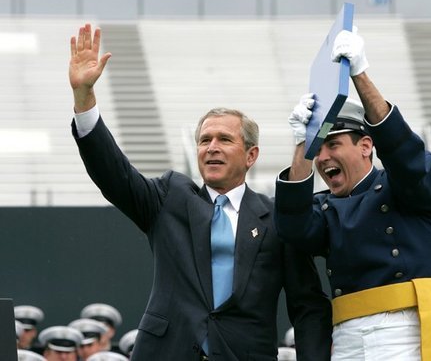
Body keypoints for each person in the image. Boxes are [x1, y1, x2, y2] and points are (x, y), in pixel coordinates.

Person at [68, 23, 332, 360]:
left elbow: (307, 305)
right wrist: (84, 98)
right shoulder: (170, 197)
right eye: (204, 140)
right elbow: (113, 174)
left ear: (251, 155)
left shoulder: (277, 219)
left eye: (224, 139)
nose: (212, 147)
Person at [274, 28, 431, 360]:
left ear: (367, 145)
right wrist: (301, 145)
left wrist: (360, 74)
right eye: (317, 149)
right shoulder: (324, 207)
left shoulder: (406, 191)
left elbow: (406, 157)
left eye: (333, 144)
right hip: (347, 336)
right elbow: (294, 229)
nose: (322, 158)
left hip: (405, 332)